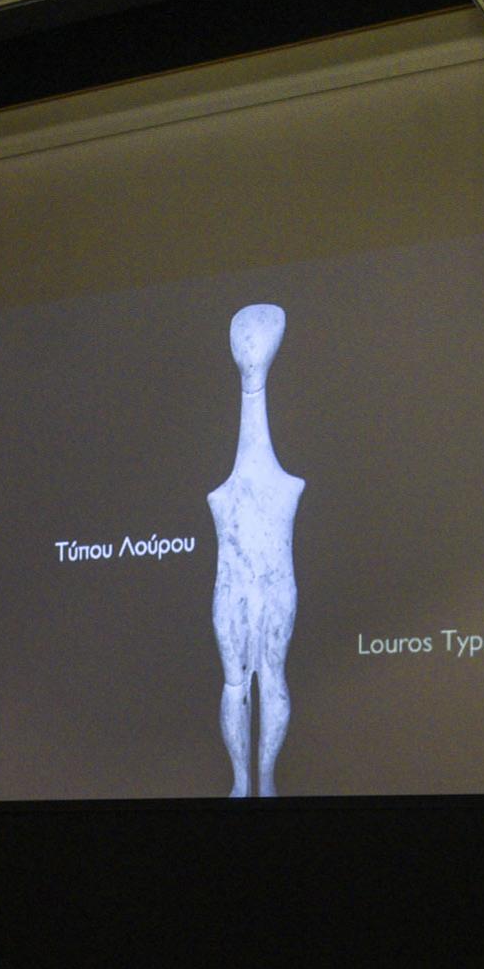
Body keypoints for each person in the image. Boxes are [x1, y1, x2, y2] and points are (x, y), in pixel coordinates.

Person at [209, 303, 304, 798]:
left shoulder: (272, 470)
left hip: (273, 581)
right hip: (233, 586)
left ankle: (264, 779)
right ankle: (242, 780)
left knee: (270, 677)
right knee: (236, 682)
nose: (250, 355)